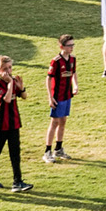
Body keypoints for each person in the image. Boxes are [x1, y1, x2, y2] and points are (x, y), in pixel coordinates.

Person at [0, 55, 32, 192]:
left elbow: (24, 97)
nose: (8, 70)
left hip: (13, 122)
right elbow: (7, 99)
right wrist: (11, 83)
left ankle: (18, 181)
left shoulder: (14, 80)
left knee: (15, 152)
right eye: (5, 68)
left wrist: (21, 88)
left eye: (10, 67)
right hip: (0, 124)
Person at [42, 34, 78, 164]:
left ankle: (58, 148)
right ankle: (47, 151)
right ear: (62, 46)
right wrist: (50, 97)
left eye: (73, 45)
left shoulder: (72, 59)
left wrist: (75, 85)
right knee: (54, 122)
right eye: (69, 45)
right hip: (58, 96)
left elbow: (73, 72)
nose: (72, 47)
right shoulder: (56, 61)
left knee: (63, 121)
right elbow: (49, 78)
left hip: (67, 95)